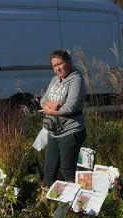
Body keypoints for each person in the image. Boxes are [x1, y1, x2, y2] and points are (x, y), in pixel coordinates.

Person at [39, 49, 86, 185]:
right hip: (54, 131)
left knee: (67, 170)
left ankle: (71, 204)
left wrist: (49, 111)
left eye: (60, 64)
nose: (58, 68)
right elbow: (43, 100)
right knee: (49, 170)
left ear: (69, 62)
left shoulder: (76, 80)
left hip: (71, 131)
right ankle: (47, 202)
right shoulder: (55, 80)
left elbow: (70, 107)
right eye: (54, 66)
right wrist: (50, 104)